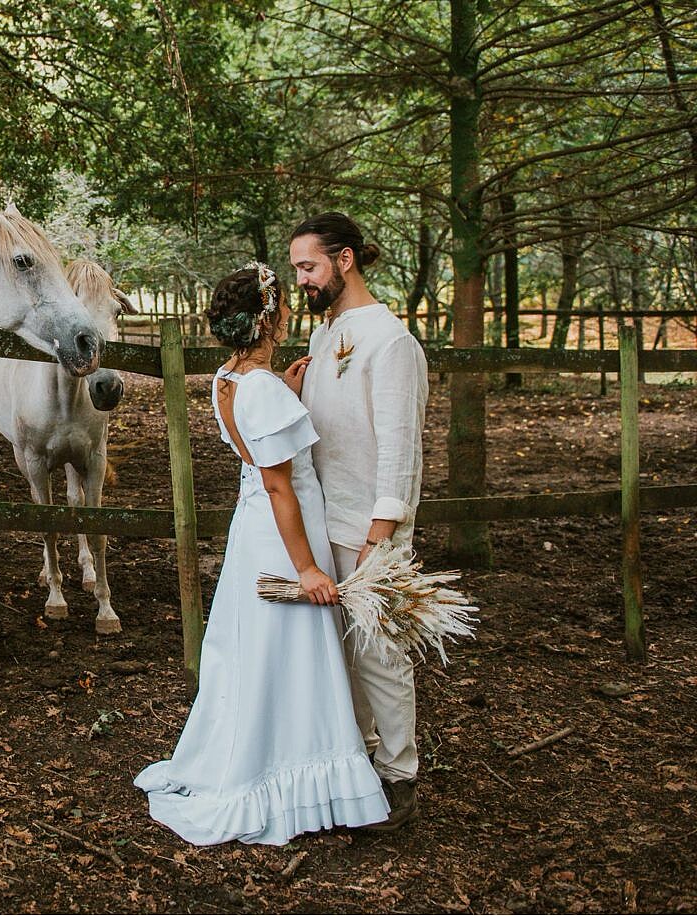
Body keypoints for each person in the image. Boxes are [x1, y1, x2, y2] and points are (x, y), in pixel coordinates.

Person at [134, 263, 389, 846]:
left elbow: (256, 446)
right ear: (271, 317)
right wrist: (306, 568)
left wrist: (288, 393)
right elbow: (281, 487)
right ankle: (281, 772)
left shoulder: (226, 378)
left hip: (253, 531)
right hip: (281, 538)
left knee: (253, 652)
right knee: (288, 655)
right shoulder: (264, 389)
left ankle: (255, 753)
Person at [288, 212, 429, 830]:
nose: (301, 281)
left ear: (345, 260)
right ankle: (359, 763)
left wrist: (382, 537)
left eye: (309, 267)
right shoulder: (328, 333)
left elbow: (402, 448)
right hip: (326, 518)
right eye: (297, 269)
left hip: (373, 528)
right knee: (341, 658)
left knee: (381, 653)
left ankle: (400, 778)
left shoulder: (391, 341)